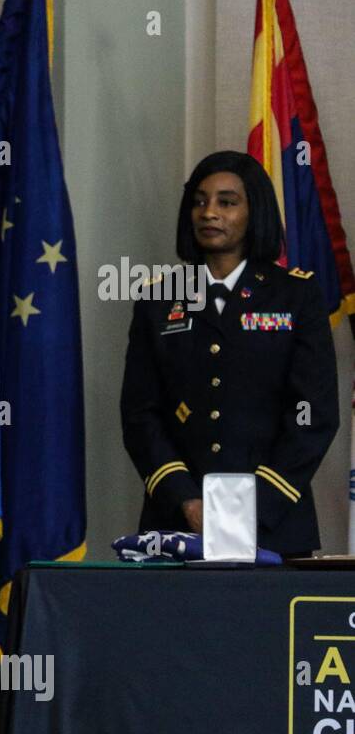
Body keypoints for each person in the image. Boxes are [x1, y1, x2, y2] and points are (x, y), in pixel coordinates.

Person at [120, 150, 338, 557]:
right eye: (199, 202)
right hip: (177, 525)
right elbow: (140, 415)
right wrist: (187, 500)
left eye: (227, 201)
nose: (209, 213)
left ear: (255, 211)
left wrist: (249, 507)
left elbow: (313, 415)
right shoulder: (157, 296)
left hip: (273, 527)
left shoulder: (295, 295)